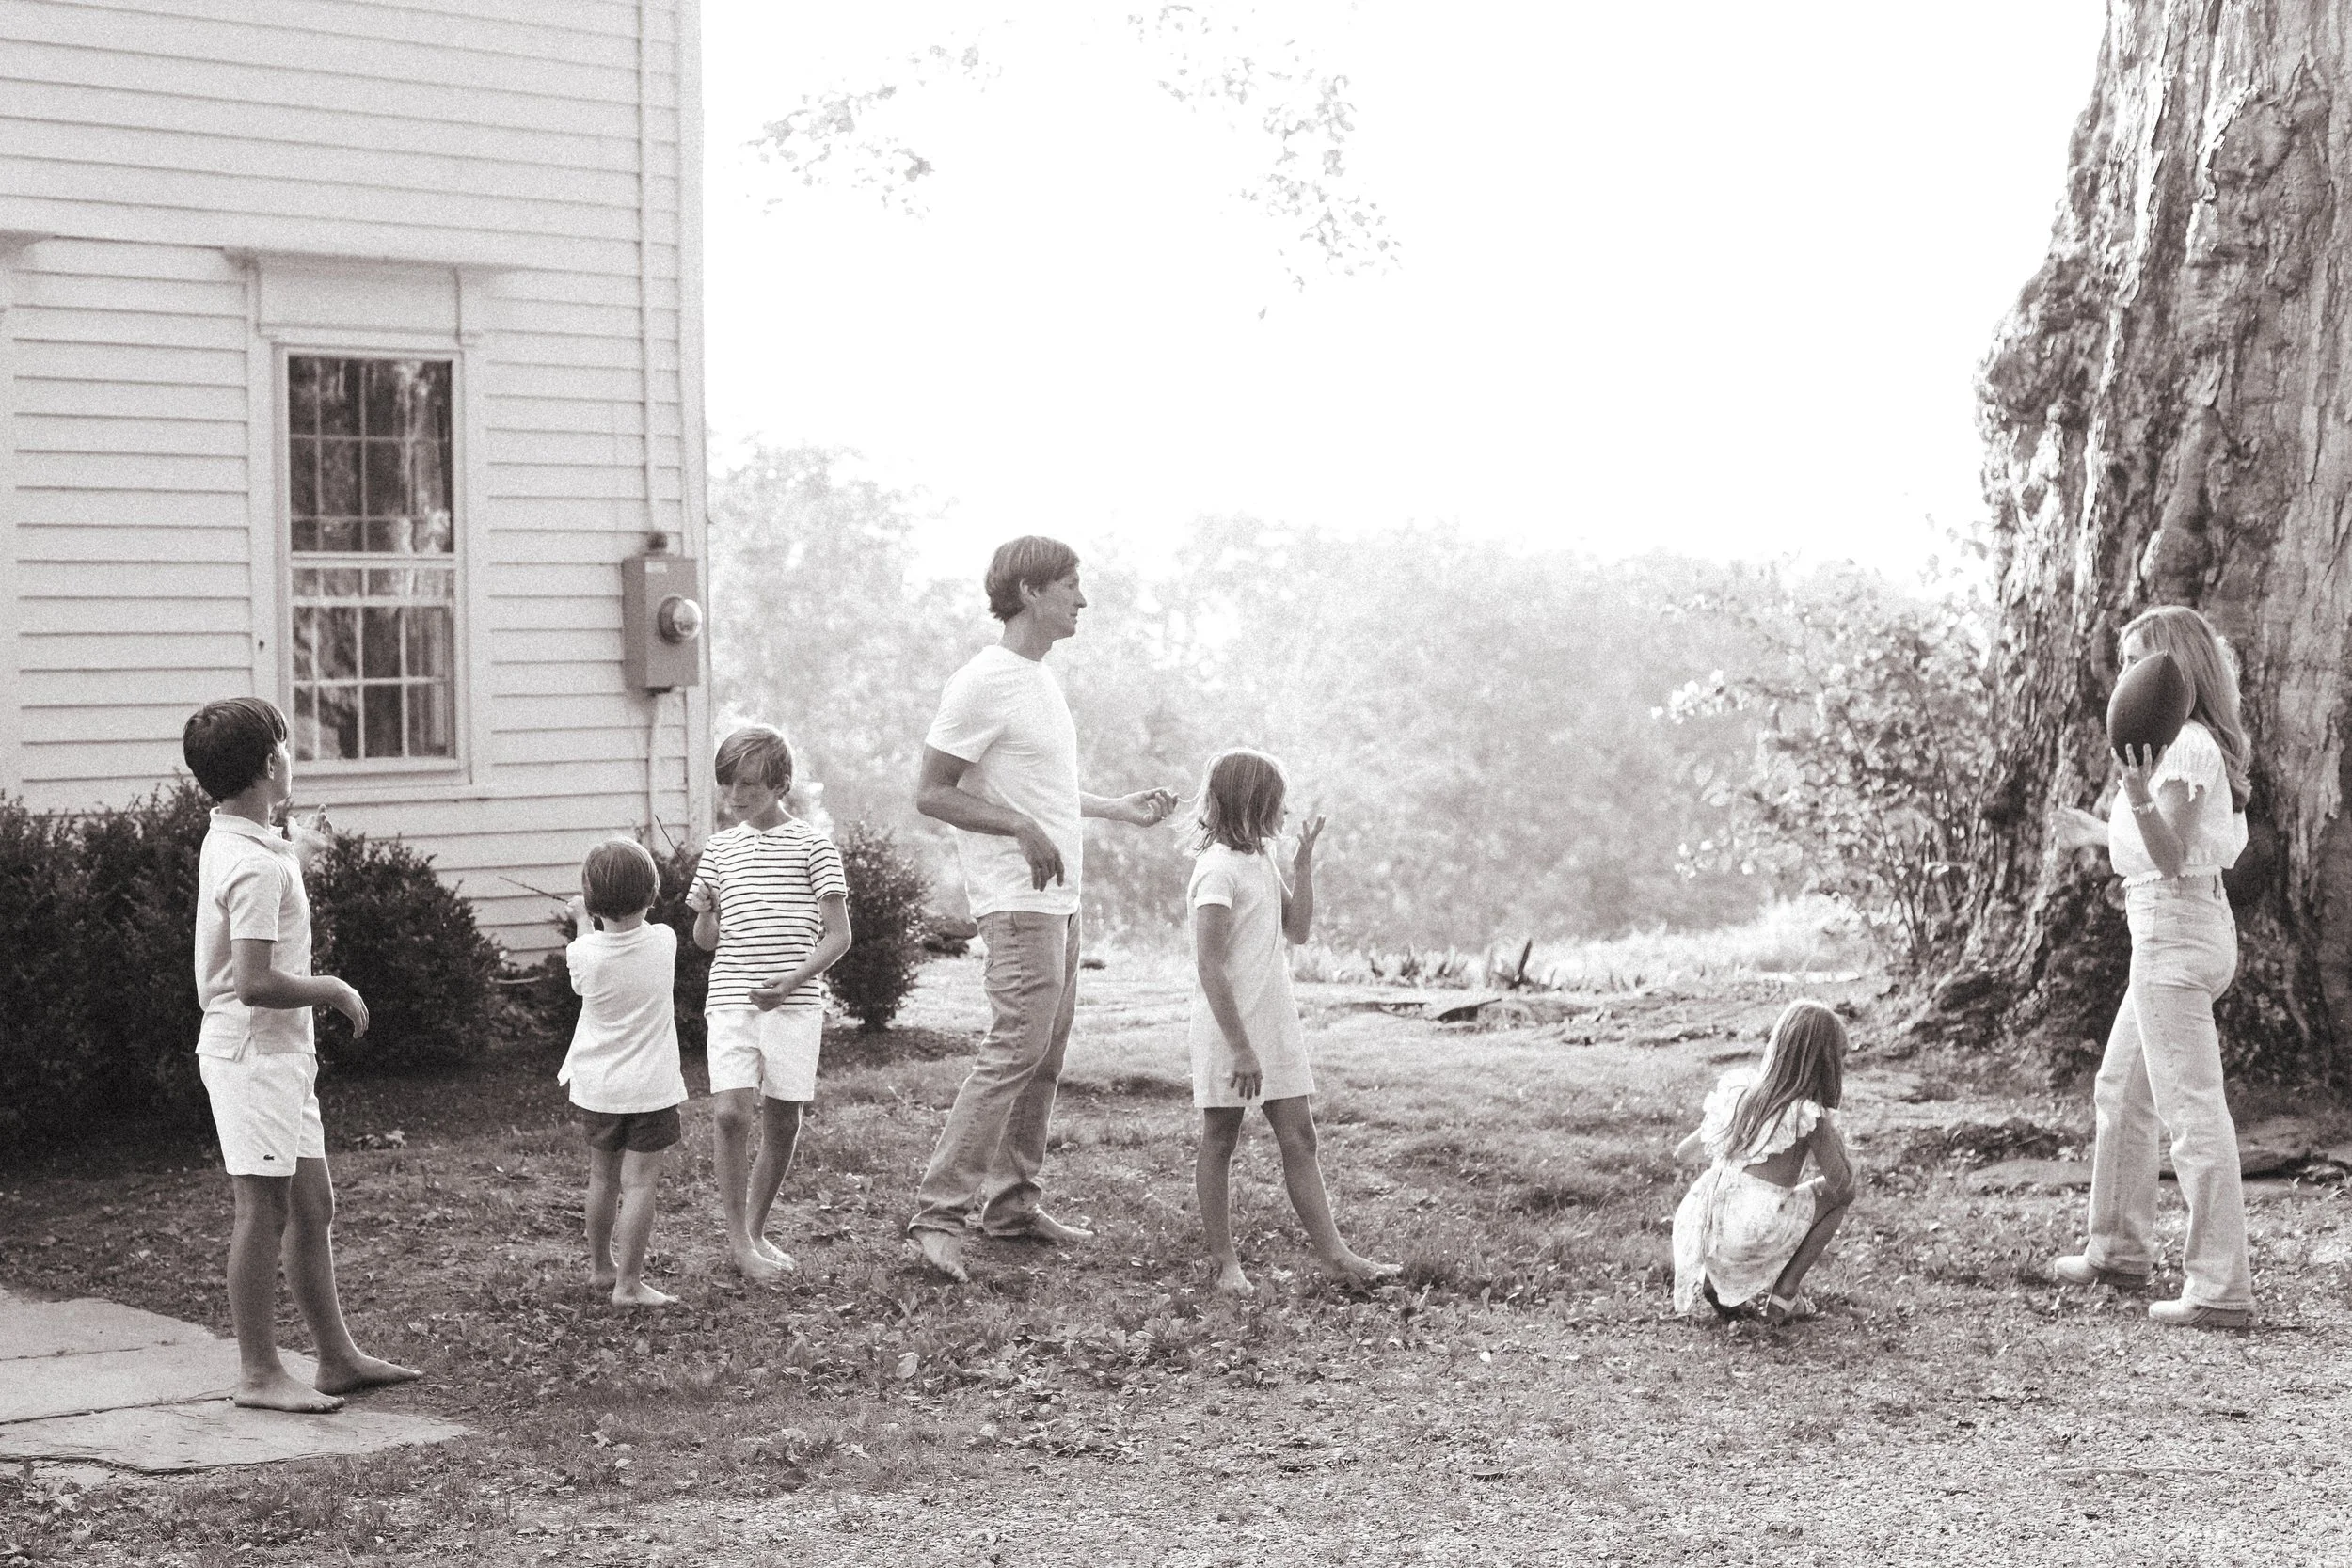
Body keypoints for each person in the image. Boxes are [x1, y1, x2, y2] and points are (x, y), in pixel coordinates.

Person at [905, 535, 1177, 1282]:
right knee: (1012, 1053)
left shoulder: (1038, 680)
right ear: (1030, 592)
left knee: (1043, 1059)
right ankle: (937, 1215)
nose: (1081, 600)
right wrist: (1019, 828)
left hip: (1061, 901)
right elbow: (932, 792)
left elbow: (1041, 792)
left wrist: (1117, 808)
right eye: (1071, 586)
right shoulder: (982, 681)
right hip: (1017, 904)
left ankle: (1012, 1205)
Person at [181, 697, 421, 1411]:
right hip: (252, 1056)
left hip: (281, 1057)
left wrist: (296, 853)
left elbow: (259, 905)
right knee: (264, 1210)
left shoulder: (242, 839)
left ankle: (337, 1357)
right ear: (268, 764)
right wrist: (335, 988)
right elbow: (252, 981)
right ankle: (258, 1371)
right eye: (285, 746)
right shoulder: (253, 864)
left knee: (313, 1203)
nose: (291, 755)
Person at [2047, 604, 2256, 1328]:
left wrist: (2133, 793)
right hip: (2174, 928)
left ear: (2170, 670)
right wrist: (2096, 832)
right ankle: (2116, 1248)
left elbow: (2168, 856)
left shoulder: (2188, 747)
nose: (2126, 680)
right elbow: (2164, 847)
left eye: (2138, 661)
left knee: (2191, 1111)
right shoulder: (2180, 745)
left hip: (2175, 934)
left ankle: (2220, 1287)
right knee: (2122, 1089)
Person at [1186, 750, 1397, 1294]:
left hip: (1273, 1024)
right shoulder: (1216, 871)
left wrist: (1302, 868)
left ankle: (1335, 1256)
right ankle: (1225, 1263)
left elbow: (1297, 929)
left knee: (1300, 1139)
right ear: (1254, 804)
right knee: (1220, 1139)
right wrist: (1239, 1048)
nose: (1285, 812)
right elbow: (1209, 966)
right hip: (1229, 1030)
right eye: (1277, 802)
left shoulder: (1260, 862)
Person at [687, 725, 851, 1284]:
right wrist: (705, 911)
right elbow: (706, 942)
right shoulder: (719, 849)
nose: (735, 796)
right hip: (730, 998)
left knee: (782, 1118)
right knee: (731, 1114)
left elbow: (838, 937)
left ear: (781, 784)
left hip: (795, 1004)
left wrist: (790, 981)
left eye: (749, 784)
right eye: (727, 784)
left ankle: (755, 1231)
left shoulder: (813, 846)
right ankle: (738, 1242)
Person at [1671, 1000, 1855, 1326]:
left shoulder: (1739, 1093)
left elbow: (1683, 1154)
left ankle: (1717, 1283)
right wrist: (1834, 1135)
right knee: (1835, 1199)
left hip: (1704, 1225)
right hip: (1754, 1228)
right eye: (1840, 1059)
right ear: (1826, 1064)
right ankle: (1786, 1293)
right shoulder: (1807, 1115)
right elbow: (1844, 1186)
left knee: (1741, 1204)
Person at [563, 839, 688, 1307]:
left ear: (593, 900)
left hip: (599, 1088)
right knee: (639, 1184)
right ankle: (629, 1285)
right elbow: (636, 928)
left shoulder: (585, 955)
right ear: (651, 894)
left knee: (603, 1179)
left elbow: (584, 951)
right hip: (650, 1089)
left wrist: (580, 917)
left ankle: (601, 1268)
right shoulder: (664, 941)